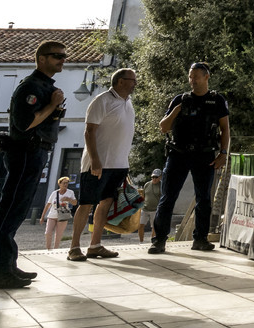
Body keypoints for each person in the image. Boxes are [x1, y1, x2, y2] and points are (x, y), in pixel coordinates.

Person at [0, 40, 68, 289]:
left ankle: (7, 266)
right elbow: (24, 124)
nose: (62, 60)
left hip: (34, 152)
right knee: (9, 211)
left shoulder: (44, 86)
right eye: (57, 56)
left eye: (64, 56)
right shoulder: (31, 87)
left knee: (17, 211)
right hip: (24, 153)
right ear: (41, 59)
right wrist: (53, 105)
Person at [149, 62, 230, 255]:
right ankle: (159, 240)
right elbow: (164, 127)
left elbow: (225, 129)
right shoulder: (180, 99)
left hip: (205, 154)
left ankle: (200, 239)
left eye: (196, 76)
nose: (192, 80)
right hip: (179, 154)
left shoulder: (217, 100)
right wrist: (176, 110)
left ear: (206, 77)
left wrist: (223, 154)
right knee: (168, 197)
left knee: (204, 199)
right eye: (190, 77)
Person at [68, 68, 137, 261]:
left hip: (119, 163)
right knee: (86, 203)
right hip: (97, 163)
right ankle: (74, 247)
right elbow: (89, 131)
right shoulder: (102, 101)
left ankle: (95, 245)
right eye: (132, 80)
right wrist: (95, 160)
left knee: (106, 202)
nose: (135, 84)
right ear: (120, 81)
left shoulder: (128, 103)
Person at [39, 177, 77, 251]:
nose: (65, 184)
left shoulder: (70, 192)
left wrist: (68, 199)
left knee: (58, 235)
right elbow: (48, 205)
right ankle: (48, 249)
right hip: (52, 215)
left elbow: (75, 203)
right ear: (59, 184)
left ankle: (56, 250)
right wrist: (42, 217)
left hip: (63, 215)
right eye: (64, 183)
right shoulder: (54, 193)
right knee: (48, 232)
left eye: (67, 183)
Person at [141, 169, 162, 241]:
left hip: (155, 209)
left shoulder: (161, 185)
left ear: (160, 177)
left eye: (156, 177)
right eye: (153, 177)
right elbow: (143, 196)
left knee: (154, 227)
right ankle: (141, 241)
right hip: (145, 208)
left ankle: (152, 240)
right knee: (140, 225)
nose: (154, 179)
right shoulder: (147, 184)